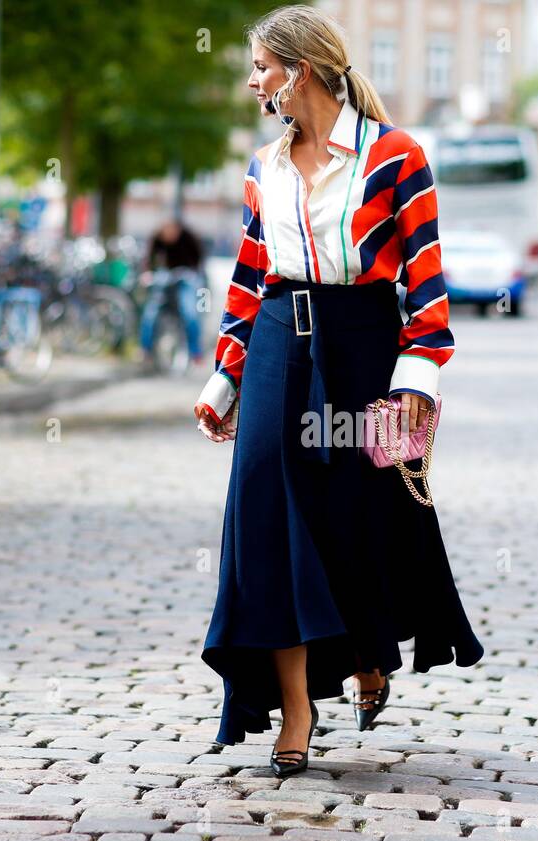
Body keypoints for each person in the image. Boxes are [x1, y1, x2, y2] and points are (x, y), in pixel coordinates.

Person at [191, 5, 483, 777]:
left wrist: (417, 383)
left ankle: (366, 654)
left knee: (360, 518)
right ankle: (294, 709)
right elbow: (251, 276)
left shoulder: (395, 157)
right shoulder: (263, 167)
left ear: (301, 70)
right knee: (267, 521)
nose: (253, 82)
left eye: (261, 67)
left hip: (364, 353)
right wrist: (225, 377)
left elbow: (425, 286)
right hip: (278, 348)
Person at [140, 218, 206, 363]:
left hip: (186, 275)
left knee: (189, 313)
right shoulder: (157, 238)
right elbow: (150, 260)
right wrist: (149, 273)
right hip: (167, 275)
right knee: (151, 313)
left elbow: (199, 259)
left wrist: (195, 275)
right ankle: (145, 350)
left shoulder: (188, 237)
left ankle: (196, 351)